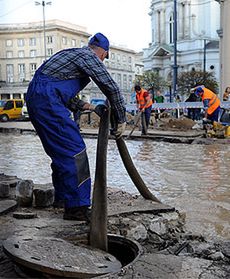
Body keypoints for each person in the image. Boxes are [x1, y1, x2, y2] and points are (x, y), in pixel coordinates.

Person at [26, 32, 126, 221]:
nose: (103, 60)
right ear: (103, 53)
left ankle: (63, 199)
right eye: (105, 57)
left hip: (37, 99)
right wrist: (121, 119)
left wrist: (91, 107)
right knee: (75, 151)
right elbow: (110, 87)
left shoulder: (70, 55)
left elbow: (57, 90)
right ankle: (77, 208)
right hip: (47, 101)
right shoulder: (89, 56)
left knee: (60, 152)